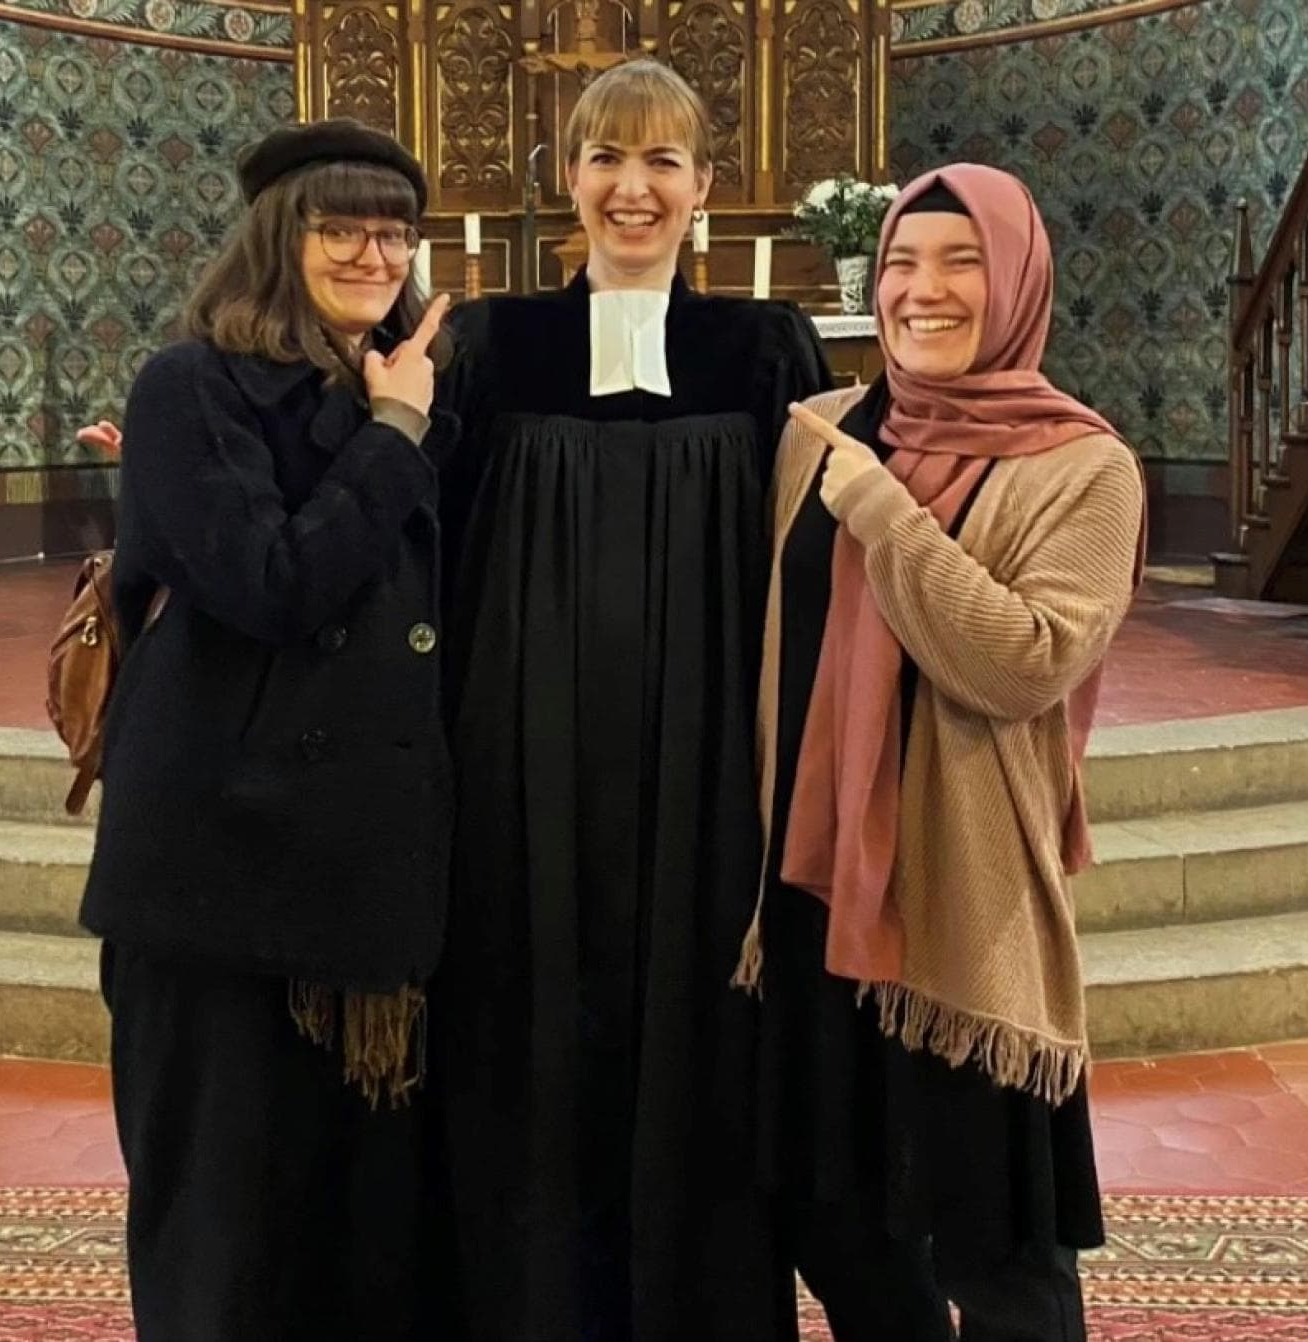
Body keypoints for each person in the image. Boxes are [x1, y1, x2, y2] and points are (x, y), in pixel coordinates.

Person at [430, 58, 834, 1342]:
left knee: (697, 1011)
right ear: (568, 178)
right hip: (520, 755)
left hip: (709, 756)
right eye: (607, 157)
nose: (632, 187)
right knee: (529, 1008)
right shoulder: (495, 343)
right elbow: (424, 527)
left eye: (663, 161)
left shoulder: (761, 348)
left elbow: (820, 555)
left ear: (705, 187)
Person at [736, 162, 1145, 1342]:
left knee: (1001, 1255)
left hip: (963, 912)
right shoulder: (819, 432)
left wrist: (882, 511)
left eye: (962, 261)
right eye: (904, 263)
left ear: (1016, 280)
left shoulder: (1085, 468)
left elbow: (1021, 660)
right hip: (820, 893)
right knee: (833, 1220)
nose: (926, 290)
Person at [78, 119, 457, 1342]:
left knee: (361, 1233)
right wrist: (392, 434)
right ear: (275, 237)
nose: (371, 252)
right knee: (223, 1231)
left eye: (394, 231)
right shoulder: (192, 383)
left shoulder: (404, 385)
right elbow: (275, 584)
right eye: (339, 225)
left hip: (365, 885)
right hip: (222, 882)